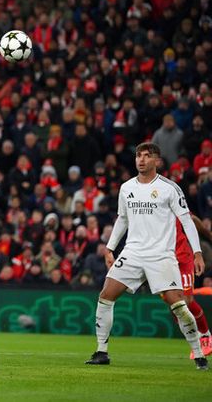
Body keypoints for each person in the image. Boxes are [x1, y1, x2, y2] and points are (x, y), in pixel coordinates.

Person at [85, 142, 208, 370]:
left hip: (161, 256)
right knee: (106, 295)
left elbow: (187, 221)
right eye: (138, 156)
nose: (141, 160)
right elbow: (123, 219)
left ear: (157, 161)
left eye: (147, 156)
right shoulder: (126, 188)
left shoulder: (169, 188)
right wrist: (110, 248)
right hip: (132, 252)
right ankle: (101, 351)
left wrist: (197, 252)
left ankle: (199, 354)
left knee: (179, 305)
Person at [174, 213, 212, 359]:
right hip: (163, 260)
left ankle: (206, 336)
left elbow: (192, 219)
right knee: (173, 305)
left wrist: (208, 235)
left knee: (187, 300)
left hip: (182, 257)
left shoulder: (172, 203)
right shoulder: (147, 209)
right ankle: (197, 341)